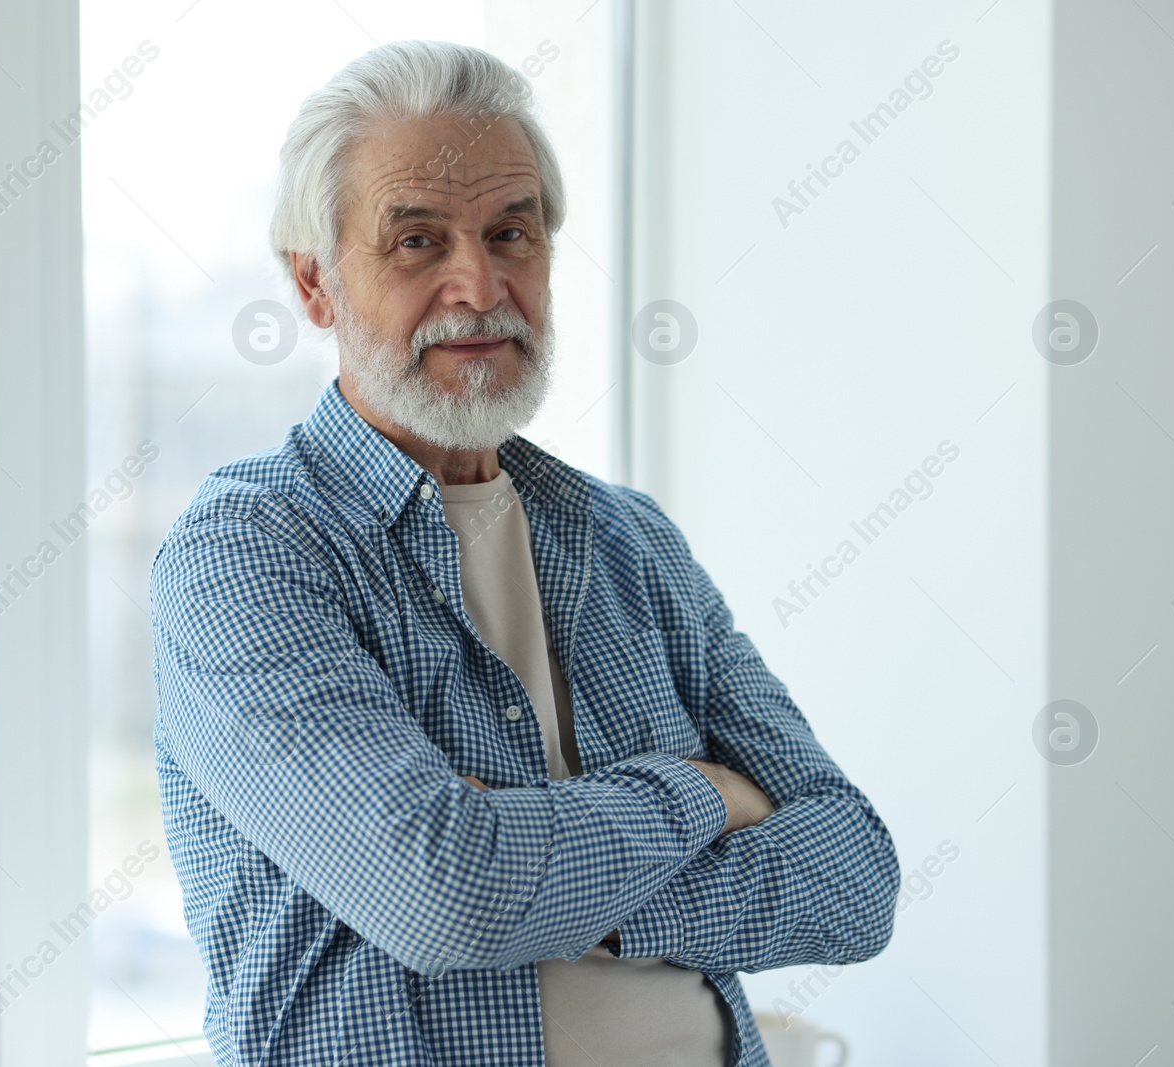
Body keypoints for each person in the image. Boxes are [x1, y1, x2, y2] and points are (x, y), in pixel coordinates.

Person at [150, 40, 899, 1066]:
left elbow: (856, 877)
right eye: (416, 241)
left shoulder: (632, 540)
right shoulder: (249, 552)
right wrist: (703, 790)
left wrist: (561, 887)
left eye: (512, 232)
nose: (478, 284)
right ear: (316, 283)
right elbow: (446, 897)